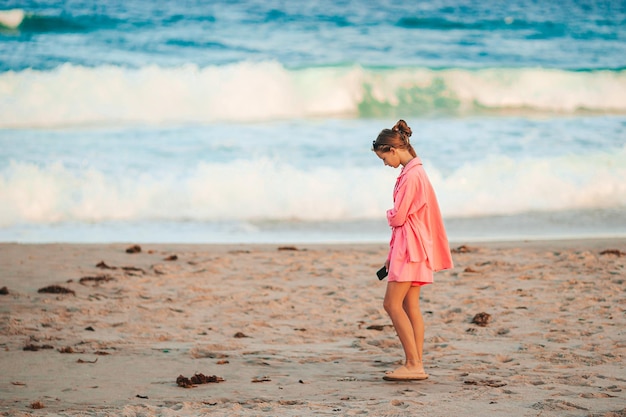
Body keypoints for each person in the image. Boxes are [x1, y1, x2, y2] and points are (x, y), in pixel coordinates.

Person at [372, 119, 453, 381]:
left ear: (393, 150)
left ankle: (413, 365)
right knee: (410, 306)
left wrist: (388, 213)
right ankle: (415, 362)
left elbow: (399, 217)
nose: (385, 164)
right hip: (414, 247)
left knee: (391, 304)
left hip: (410, 248)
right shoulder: (416, 172)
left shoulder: (412, 176)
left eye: (384, 158)